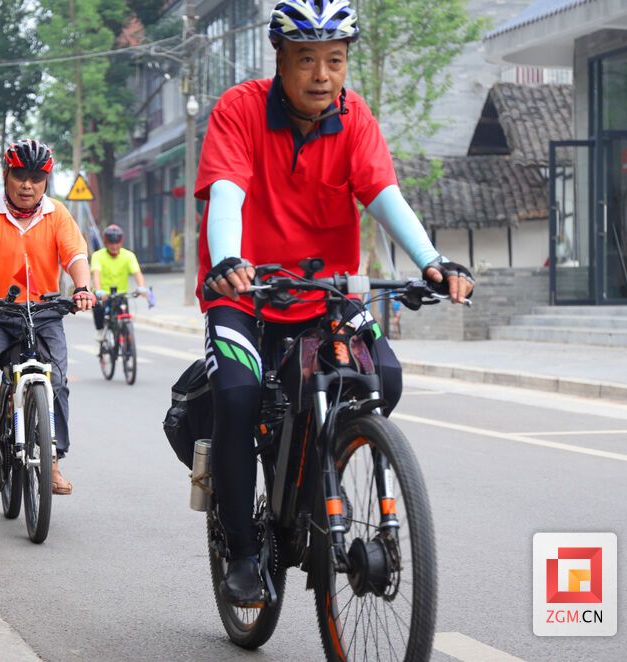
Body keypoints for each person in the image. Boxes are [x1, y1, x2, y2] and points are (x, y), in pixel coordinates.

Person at [196, 0, 475, 606]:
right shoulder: (239, 109)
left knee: (384, 379)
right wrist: (228, 261)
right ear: (280, 60)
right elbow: (226, 192)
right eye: (306, 60)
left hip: (327, 291)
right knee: (238, 397)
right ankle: (242, 551)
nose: (322, 75)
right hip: (243, 290)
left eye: (335, 60)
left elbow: (384, 194)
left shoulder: (355, 117)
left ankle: (320, 469)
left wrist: (432, 260)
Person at [0, 139, 95, 495]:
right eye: (19, 176)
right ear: (6, 175)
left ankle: (53, 463)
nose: (27, 185)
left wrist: (82, 288)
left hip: (43, 313)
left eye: (36, 178)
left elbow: (75, 255)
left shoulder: (57, 213)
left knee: (56, 381)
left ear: (46, 181)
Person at [90, 224, 150, 342]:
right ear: (105, 242)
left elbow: (137, 273)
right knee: (98, 307)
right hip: (104, 294)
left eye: (117, 243)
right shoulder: (98, 256)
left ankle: (126, 342)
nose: (114, 246)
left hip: (121, 295)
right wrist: (99, 291)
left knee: (124, 317)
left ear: (121, 242)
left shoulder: (129, 255)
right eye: (111, 243)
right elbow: (96, 275)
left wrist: (142, 287)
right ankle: (100, 330)